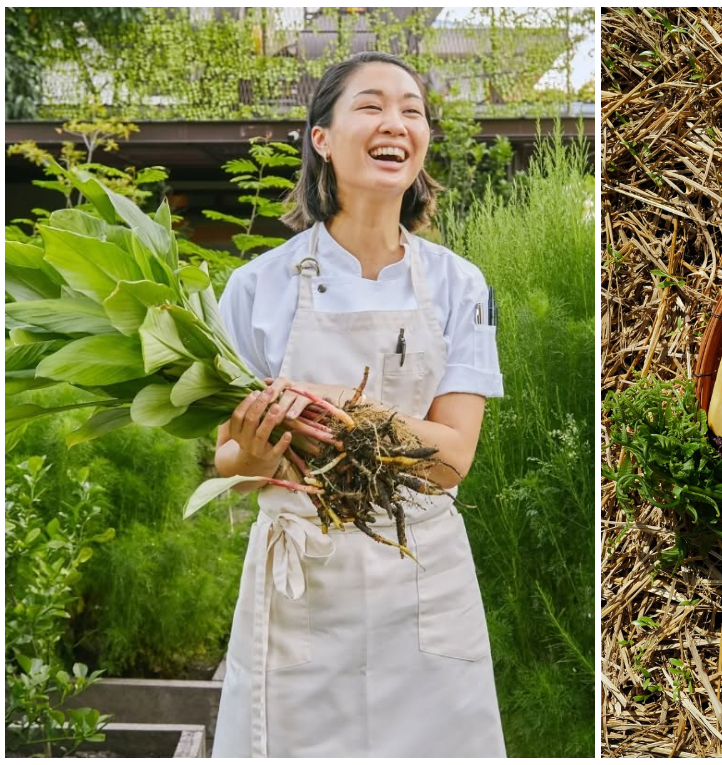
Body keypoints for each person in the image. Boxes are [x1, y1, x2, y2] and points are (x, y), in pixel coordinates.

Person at [209, 51, 505, 758]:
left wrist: (344, 404)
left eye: (411, 109)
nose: (395, 122)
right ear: (321, 138)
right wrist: (250, 455)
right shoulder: (257, 288)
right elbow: (229, 461)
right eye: (371, 105)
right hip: (303, 586)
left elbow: (452, 458)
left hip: (422, 577)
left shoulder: (463, 287)